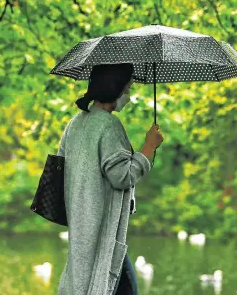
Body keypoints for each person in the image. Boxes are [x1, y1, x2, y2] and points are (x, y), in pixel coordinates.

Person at [57, 63, 164, 295]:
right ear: (115, 88)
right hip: (102, 226)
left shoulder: (74, 123)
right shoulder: (108, 125)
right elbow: (122, 176)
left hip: (80, 222)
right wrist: (148, 148)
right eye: (127, 88)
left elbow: (63, 165)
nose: (129, 94)